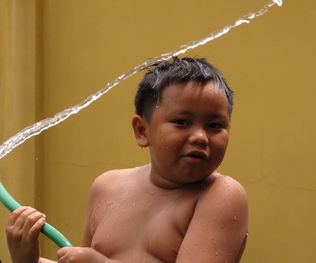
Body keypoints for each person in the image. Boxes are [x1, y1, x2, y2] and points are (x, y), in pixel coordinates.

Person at [6, 57, 248, 263]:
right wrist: (28, 259)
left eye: (215, 125)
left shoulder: (221, 195)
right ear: (142, 131)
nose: (200, 137)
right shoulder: (107, 187)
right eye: (182, 122)